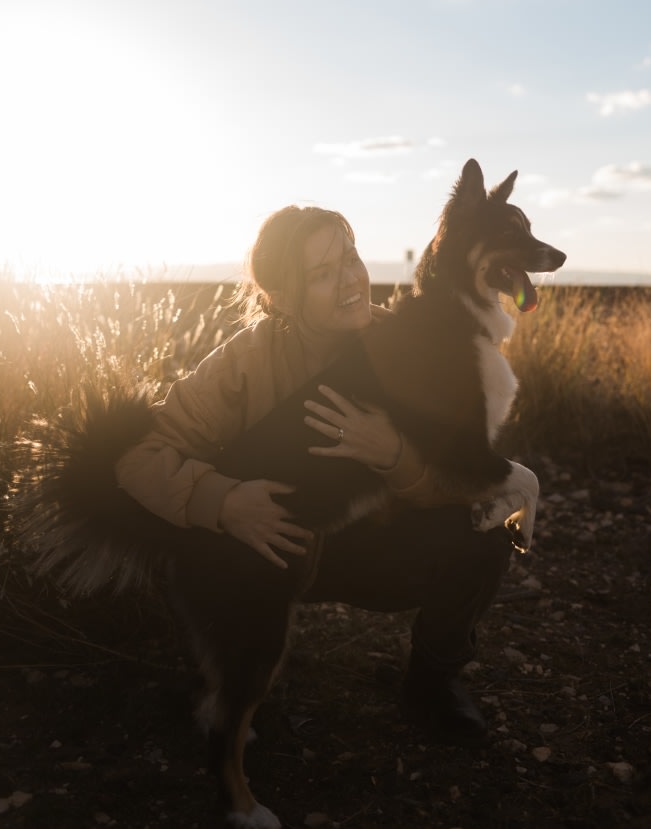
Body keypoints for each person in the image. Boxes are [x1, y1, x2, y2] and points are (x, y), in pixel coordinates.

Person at [115, 204, 514, 739]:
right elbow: (139, 459)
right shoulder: (245, 360)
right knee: (232, 671)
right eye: (322, 275)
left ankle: (433, 682)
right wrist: (224, 502)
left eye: (350, 258)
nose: (350, 280)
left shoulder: (410, 344)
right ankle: (215, 669)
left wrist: (394, 454)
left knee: (484, 535)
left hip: (367, 548)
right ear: (281, 297)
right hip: (264, 543)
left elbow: (454, 480)